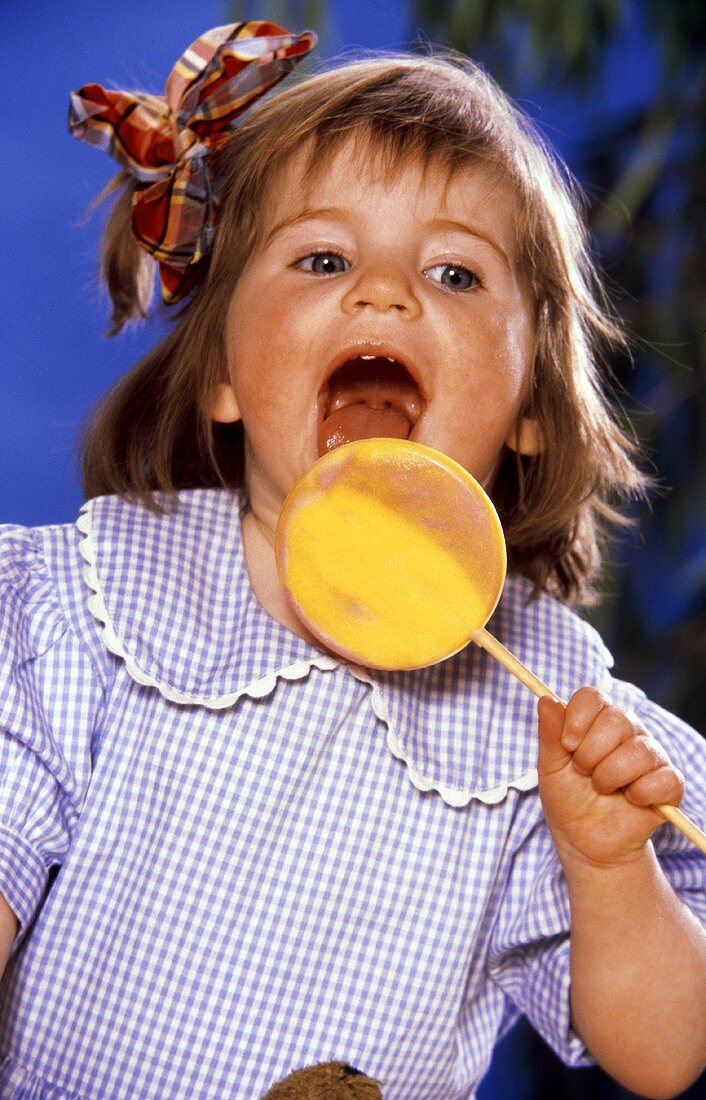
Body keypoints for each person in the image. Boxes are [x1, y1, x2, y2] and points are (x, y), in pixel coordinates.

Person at [0, 19, 704, 1100]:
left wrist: (610, 868)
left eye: (456, 273)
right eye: (323, 257)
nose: (384, 291)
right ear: (224, 379)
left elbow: (664, 1055)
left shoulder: (551, 718)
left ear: (527, 408)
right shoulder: (92, 612)